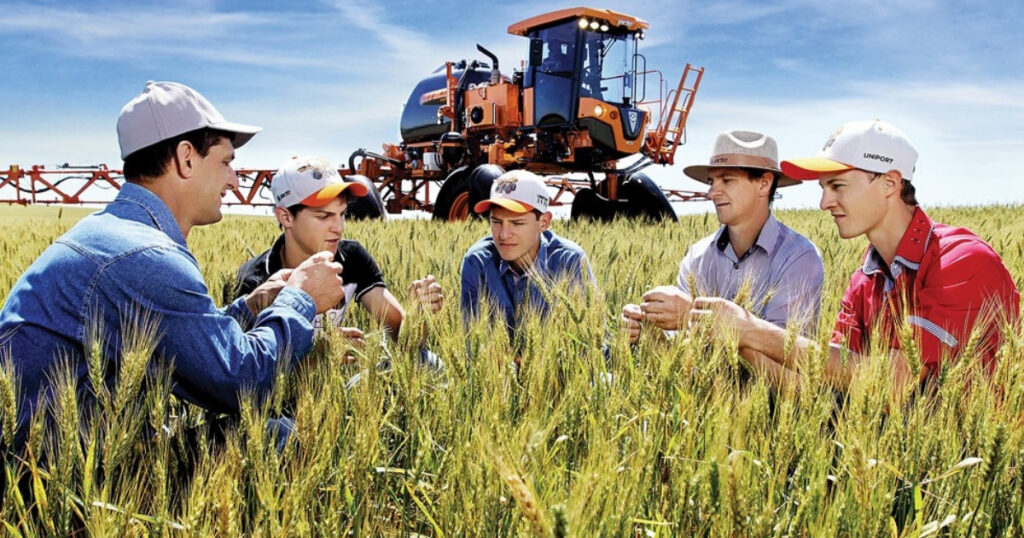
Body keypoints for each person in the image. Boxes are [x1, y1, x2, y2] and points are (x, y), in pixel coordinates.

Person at [0, 81, 344, 450]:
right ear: (185, 158)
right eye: (226, 162)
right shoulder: (146, 255)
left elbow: (182, 341)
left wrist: (251, 306)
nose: (233, 179)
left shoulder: (115, 233)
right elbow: (241, 385)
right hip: (57, 476)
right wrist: (301, 299)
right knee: (277, 438)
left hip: (51, 455)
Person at [691, 120, 1020, 399]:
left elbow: (894, 382)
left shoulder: (962, 261)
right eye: (822, 188)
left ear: (889, 183)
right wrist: (736, 339)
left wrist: (749, 330)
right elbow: (825, 386)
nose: (824, 202)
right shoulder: (865, 279)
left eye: (837, 186)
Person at [621, 130, 824, 343]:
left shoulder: (799, 257)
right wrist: (650, 332)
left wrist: (693, 315)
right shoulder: (697, 256)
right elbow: (682, 350)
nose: (711, 193)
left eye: (727, 180)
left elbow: (790, 361)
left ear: (764, 184)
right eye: (712, 181)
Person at [233, 155, 443, 360]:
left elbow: (406, 342)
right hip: (284, 391)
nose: (339, 228)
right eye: (324, 216)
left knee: (428, 361)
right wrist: (318, 355)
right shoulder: (254, 283)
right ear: (286, 217)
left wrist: (419, 315)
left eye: (342, 214)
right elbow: (246, 374)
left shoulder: (352, 257)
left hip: (337, 385)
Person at [460, 170, 595, 344]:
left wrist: (628, 331)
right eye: (496, 222)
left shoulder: (570, 260)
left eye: (517, 223)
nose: (503, 234)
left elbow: (591, 342)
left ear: (544, 222)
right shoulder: (476, 262)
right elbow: (473, 345)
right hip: (498, 370)